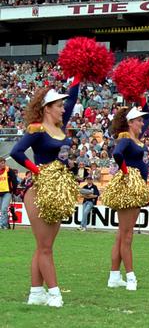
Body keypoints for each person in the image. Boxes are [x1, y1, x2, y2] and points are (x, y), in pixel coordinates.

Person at [10, 84, 79, 308]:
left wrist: (79, 76)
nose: (63, 109)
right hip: (39, 189)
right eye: (59, 106)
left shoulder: (61, 128)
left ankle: (36, 293)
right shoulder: (37, 129)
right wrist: (38, 170)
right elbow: (16, 152)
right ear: (48, 108)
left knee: (44, 246)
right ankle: (55, 293)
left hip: (58, 189)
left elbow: (73, 98)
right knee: (45, 246)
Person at [107, 99, 149, 291]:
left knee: (121, 235)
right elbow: (117, 154)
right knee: (126, 236)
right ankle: (131, 277)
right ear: (131, 122)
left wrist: (142, 97)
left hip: (136, 188)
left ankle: (114, 276)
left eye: (142, 120)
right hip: (129, 188)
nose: (142, 123)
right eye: (139, 121)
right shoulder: (125, 138)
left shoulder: (134, 138)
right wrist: (127, 172)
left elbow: (147, 115)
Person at [0, 157, 18, 229]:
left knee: (4, 209)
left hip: (7, 192)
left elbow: (14, 181)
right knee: (2, 210)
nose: (2, 164)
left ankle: (2, 225)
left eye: (3, 163)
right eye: (1, 163)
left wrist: (14, 190)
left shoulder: (9, 170)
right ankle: (6, 224)